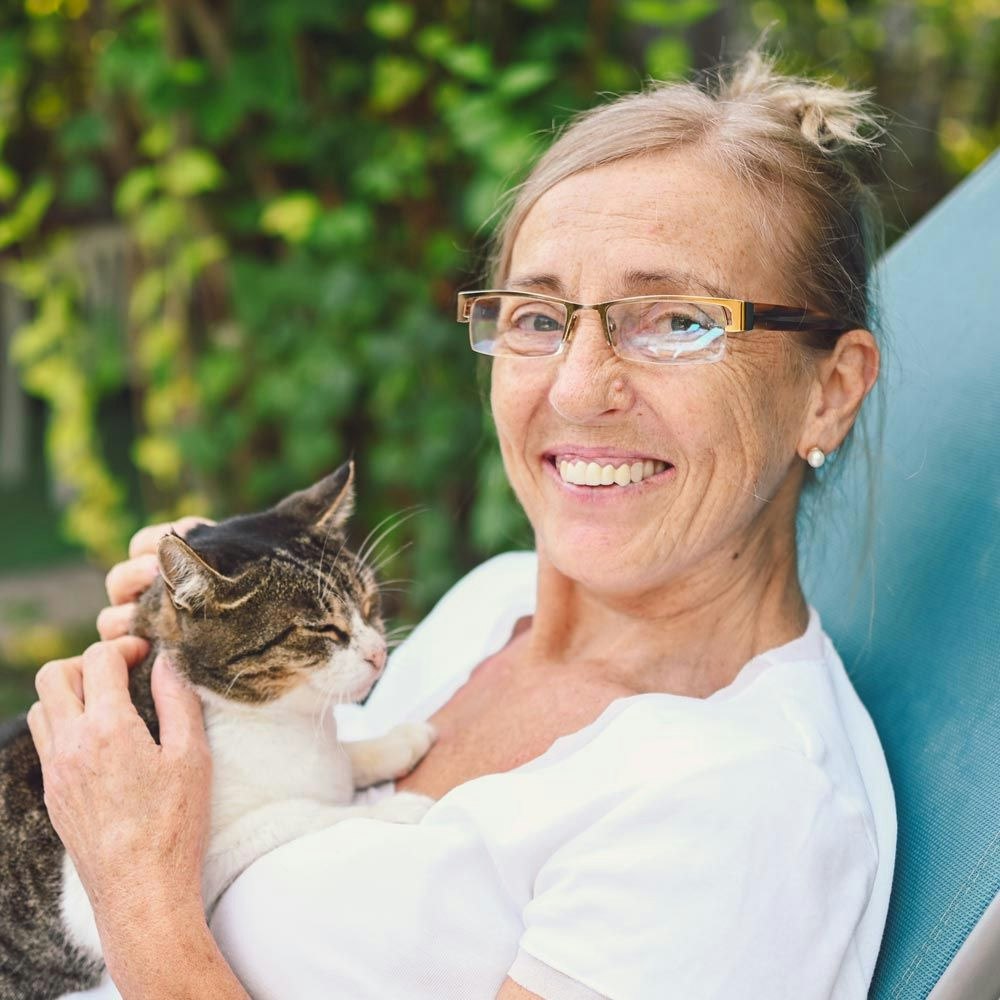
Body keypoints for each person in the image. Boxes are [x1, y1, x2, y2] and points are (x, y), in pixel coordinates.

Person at [29, 47, 894, 1000]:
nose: (576, 387)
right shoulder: (497, 601)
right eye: (535, 317)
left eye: (675, 320)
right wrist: (203, 667)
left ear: (829, 390)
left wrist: (135, 887)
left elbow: (156, 895)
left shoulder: (742, 807)